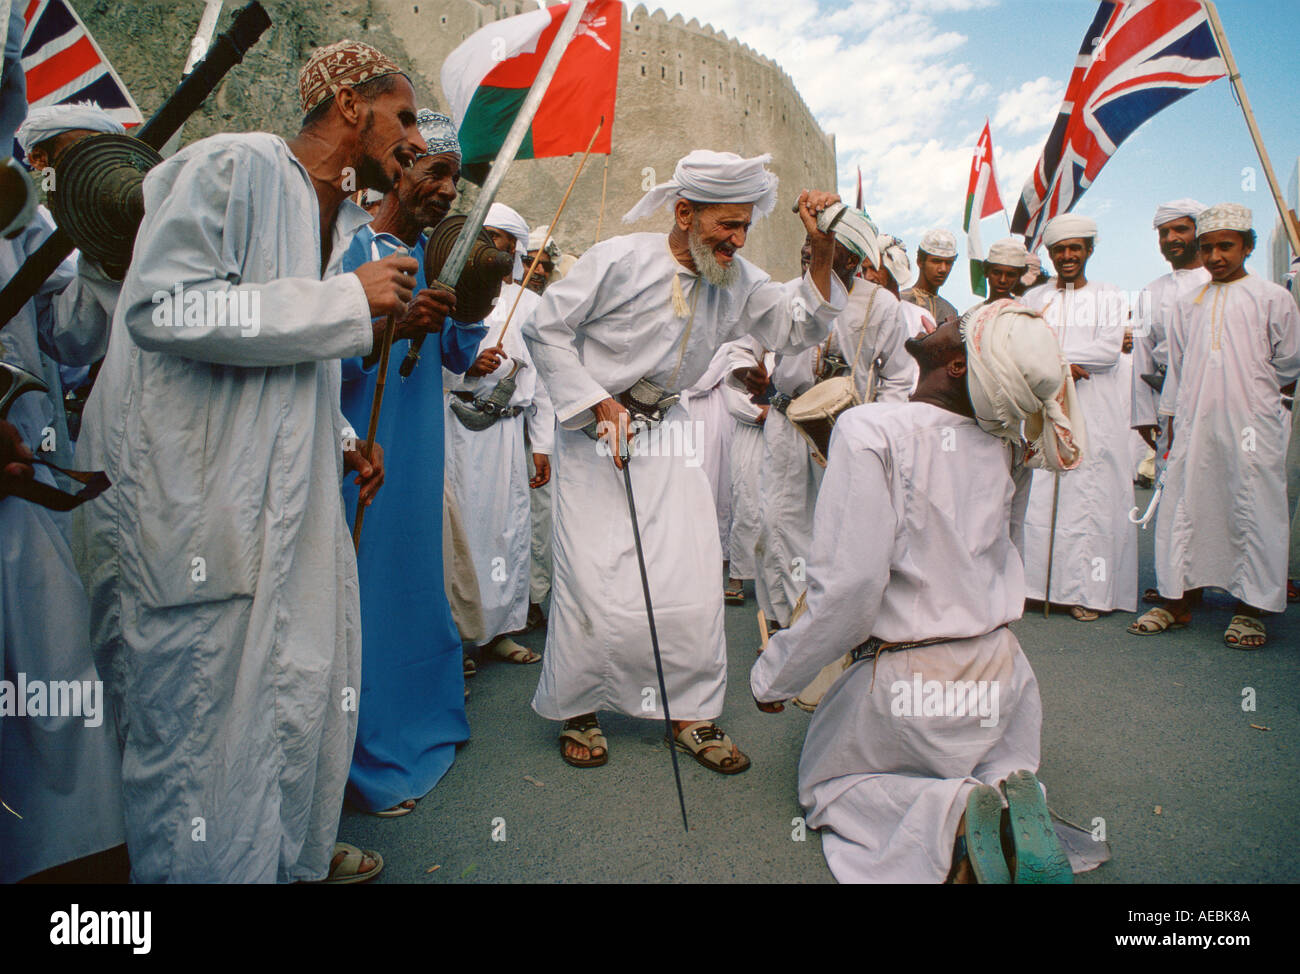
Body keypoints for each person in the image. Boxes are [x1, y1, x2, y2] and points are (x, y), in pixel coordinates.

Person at [72, 40, 431, 883]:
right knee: (198, 728)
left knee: (296, 689)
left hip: (289, 503)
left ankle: (278, 857)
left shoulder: (341, 221)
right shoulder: (230, 164)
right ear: (350, 103)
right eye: (404, 116)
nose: (416, 139)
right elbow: (162, 309)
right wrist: (348, 300)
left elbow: (283, 355)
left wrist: (344, 442)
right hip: (196, 504)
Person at [523, 150, 847, 773]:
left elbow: (797, 326)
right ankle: (581, 709)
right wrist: (595, 402)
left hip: (668, 429)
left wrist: (822, 249)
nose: (737, 239)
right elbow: (545, 327)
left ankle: (690, 714)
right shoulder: (620, 259)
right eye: (726, 224)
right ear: (682, 213)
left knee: (690, 573)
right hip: (594, 432)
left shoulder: (741, 279)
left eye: (745, 226)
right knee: (593, 575)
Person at [750, 301, 1085, 884]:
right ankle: (1001, 798)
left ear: (957, 365)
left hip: (912, 681)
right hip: (1001, 674)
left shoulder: (871, 426)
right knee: (992, 760)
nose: (939, 320)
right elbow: (1006, 551)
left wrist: (775, 674)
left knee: (829, 786)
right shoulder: (1009, 443)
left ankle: (952, 817)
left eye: (955, 326)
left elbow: (850, 591)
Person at [1, 23, 126, 881]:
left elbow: (69, 339)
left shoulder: (18, 209)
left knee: (51, 698)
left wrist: (110, 252)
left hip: (25, 497)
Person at [339, 109, 485, 818]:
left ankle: (424, 720)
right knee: (358, 593)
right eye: (436, 172)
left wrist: (469, 298)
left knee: (411, 579)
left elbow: (457, 356)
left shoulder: (439, 254)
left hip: (422, 449)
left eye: (455, 179)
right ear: (399, 167)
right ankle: (360, 755)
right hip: (360, 445)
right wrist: (391, 324)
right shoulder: (346, 244)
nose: (448, 191)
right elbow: (318, 349)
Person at [1129, 203, 1300, 648]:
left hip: (1254, 425)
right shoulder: (1188, 304)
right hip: (1194, 424)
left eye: (1226, 246)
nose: (1215, 256)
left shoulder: (1273, 298)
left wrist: (1248, 397)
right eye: (1207, 248)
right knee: (1186, 506)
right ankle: (1178, 601)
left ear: (1248, 245)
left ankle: (1250, 610)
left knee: (1253, 509)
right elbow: (1178, 373)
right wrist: (1167, 423)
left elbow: (1288, 363)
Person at [735, 212, 911, 639]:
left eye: (825, 255)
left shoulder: (882, 304)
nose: (810, 260)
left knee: (842, 529)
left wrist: (874, 426)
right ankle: (786, 625)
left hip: (852, 433)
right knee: (781, 521)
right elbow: (741, 347)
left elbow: (900, 378)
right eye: (807, 253)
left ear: (851, 262)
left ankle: (839, 626)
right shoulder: (786, 295)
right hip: (786, 425)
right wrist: (746, 370)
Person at [444, 202, 553, 667]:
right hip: (462, 430)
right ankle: (461, 638)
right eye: (485, 235)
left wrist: (542, 443)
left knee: (508, 529)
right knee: (464, 533)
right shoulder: (453, 292)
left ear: (513, 247)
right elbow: (433, 364)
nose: (492, 246)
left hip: (511, 434)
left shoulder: (533, 304)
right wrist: (467, 369)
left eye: (500, 239)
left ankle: (503, 630)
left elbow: (546, 380)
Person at [1019, 214, 1136, 621]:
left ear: (1089, 249)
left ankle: (1090, 591)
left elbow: (1106, 354)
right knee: (1040, 495)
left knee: (1090, 496)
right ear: (1049, 254)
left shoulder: (1109, 294)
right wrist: (1061, 367)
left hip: (1094, 410)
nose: (1067, 256)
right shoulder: (1033, 300)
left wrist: (1057, 361)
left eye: (1075, 248)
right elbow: (1019, 349)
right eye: (1059, 249)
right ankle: (1035, 587)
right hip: (1043, 409)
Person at [1130, 200, 1210, 510]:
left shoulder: (1222, 281)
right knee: (1174, 488)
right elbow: (1142, 357)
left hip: (1219, 398)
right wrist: (1143, 417)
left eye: (1180, 229)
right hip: (1169, 407)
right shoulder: (1151, 291)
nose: (1171, 238)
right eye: (1164, 232)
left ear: (1198, 231)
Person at [901, 228, 959, 324]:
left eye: (948, 263)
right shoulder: (901, 301)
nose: (943, 269)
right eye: (936, 261)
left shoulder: (950, 311)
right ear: (920, 261)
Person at [966, 237, 1030, 312]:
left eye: (1010, 275)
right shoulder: (973, 313)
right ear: (986, 272)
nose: (1002, 280)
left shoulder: (1025, 310)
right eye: (996, 273)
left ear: (1019, 277)